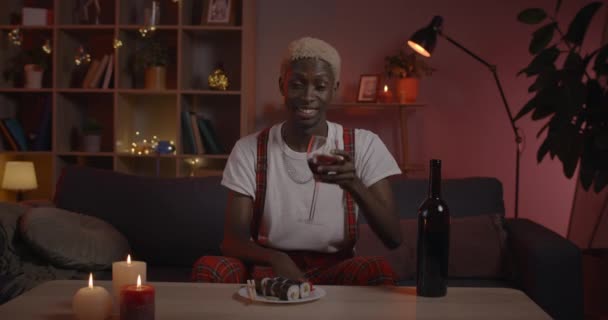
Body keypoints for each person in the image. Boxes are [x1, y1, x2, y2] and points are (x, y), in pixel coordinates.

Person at [192, 37, 403, 286]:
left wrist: (353, 184)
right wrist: (276, 258)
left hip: (335, 270)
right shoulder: (250, 148)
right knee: (209, 268)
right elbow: (232, 240)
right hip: (267, 268)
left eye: (320, 86)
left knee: (378, 270)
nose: (307, 96)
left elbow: (393, 238)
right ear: (282, 85)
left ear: (333, 89)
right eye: (297, 84)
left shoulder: (364, 145)